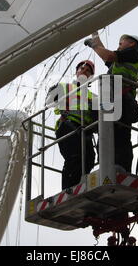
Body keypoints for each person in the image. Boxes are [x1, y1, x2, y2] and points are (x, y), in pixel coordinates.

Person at [84, 32, 138, 173]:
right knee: (105, 134)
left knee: (120, 135)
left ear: (132, 43)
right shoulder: (122, 60)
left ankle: (121, 168)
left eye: (120, 43)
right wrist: (95, 35)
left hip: (122, 100)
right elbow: (106, 56)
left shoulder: (134, 54)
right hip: (113, 99)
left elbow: (108, 55)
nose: (118, 46)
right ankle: (107, 166)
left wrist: (94, 45)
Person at [47, 60, 97, 189]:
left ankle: (80, 186)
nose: (84, 72)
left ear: (91, 77)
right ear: (76, 72)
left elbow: (97, 118)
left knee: (90, 158)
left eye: (88, 71)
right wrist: (54, 93)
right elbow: (49, 101)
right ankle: (68, 189)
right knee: (74, 156)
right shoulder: (64, 87)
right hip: (67, 125)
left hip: (84, 130)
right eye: (82, 69)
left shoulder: (93, 96)